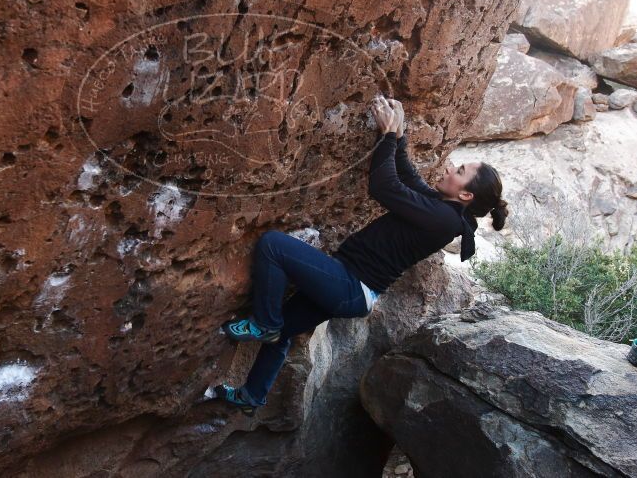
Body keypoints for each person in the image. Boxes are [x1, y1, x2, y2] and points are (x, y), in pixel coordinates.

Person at [214, 95, 509, 416]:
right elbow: (408, 178)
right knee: (283, 332)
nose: (451, 167)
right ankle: (251, 396)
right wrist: (398, 134)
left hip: (349, 286)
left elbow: (384, 187)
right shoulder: (446, 210)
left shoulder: (444, 219)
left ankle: (264, 322)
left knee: (273, 245)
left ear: (466, 194)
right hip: (350, 287)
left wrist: (385, 137)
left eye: (460, 170)